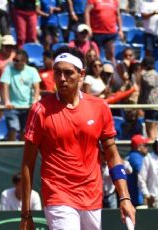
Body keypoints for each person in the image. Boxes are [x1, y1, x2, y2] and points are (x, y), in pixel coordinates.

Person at [20, 47, 135, 230]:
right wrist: (26, 213)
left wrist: (125, 197)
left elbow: (113, 156)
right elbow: (27, 164)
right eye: (57, 73)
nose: (61, 79)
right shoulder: (39, 110)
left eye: (68, 73)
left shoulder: (100, 107)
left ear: (81, 75)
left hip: (92, 197)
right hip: (58, 196)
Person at [0, 49, 41, 141]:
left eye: (17, 60)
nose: (15, 62)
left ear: (24, 61)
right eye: (14, 60)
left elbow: (36, 87)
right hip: (12, 107)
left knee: (25, 131)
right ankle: (11, 152)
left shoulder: (32, 70)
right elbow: (5, 86)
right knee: (13, 129)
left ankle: (22, 153)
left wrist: (35, 101)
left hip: (27, 107)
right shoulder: (8, 69)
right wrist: (7, 101)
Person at [85, 0, 123, 64]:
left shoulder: (115, 1)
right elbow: (87, 12)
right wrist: (88, 27)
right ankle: (96, 71)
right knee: (96, 55)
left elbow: (118, 15)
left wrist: (120, 29)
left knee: (111, 54)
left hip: (111, 33)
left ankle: (112, 71)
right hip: (96, 33)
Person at [138, 56, 158, 140]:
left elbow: (150, 83)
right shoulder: (154, 73)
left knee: (151, 130)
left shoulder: (151, 73)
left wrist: (142, 75)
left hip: (153, 105)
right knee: (153, 130)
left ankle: (152, 148)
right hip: (154, 106)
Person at [125, 134, 150, 207]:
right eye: (145, 145)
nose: (147, 147)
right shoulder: (136, 157)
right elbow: (141, 173)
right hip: (137, 199)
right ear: (139, 147)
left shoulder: (130, 155)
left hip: (131, 198)